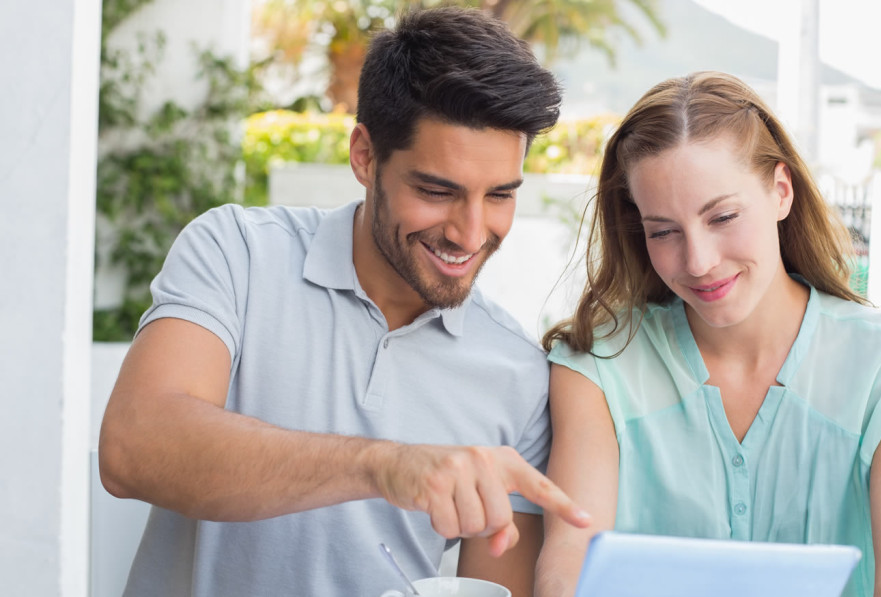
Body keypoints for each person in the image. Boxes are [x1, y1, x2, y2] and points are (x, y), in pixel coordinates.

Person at [98, 7, 591, 597]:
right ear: (364, 156)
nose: (470, 232)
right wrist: (382, 466)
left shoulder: (517, 375)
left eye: (500, 196)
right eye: (437, 191)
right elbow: (133, 447)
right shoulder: (237, 253)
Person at [534, 72, 881, 597]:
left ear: (781, 192)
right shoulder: (597, 365)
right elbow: (569, 566)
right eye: (663, 231)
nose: (699, 262)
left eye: (724, 216)